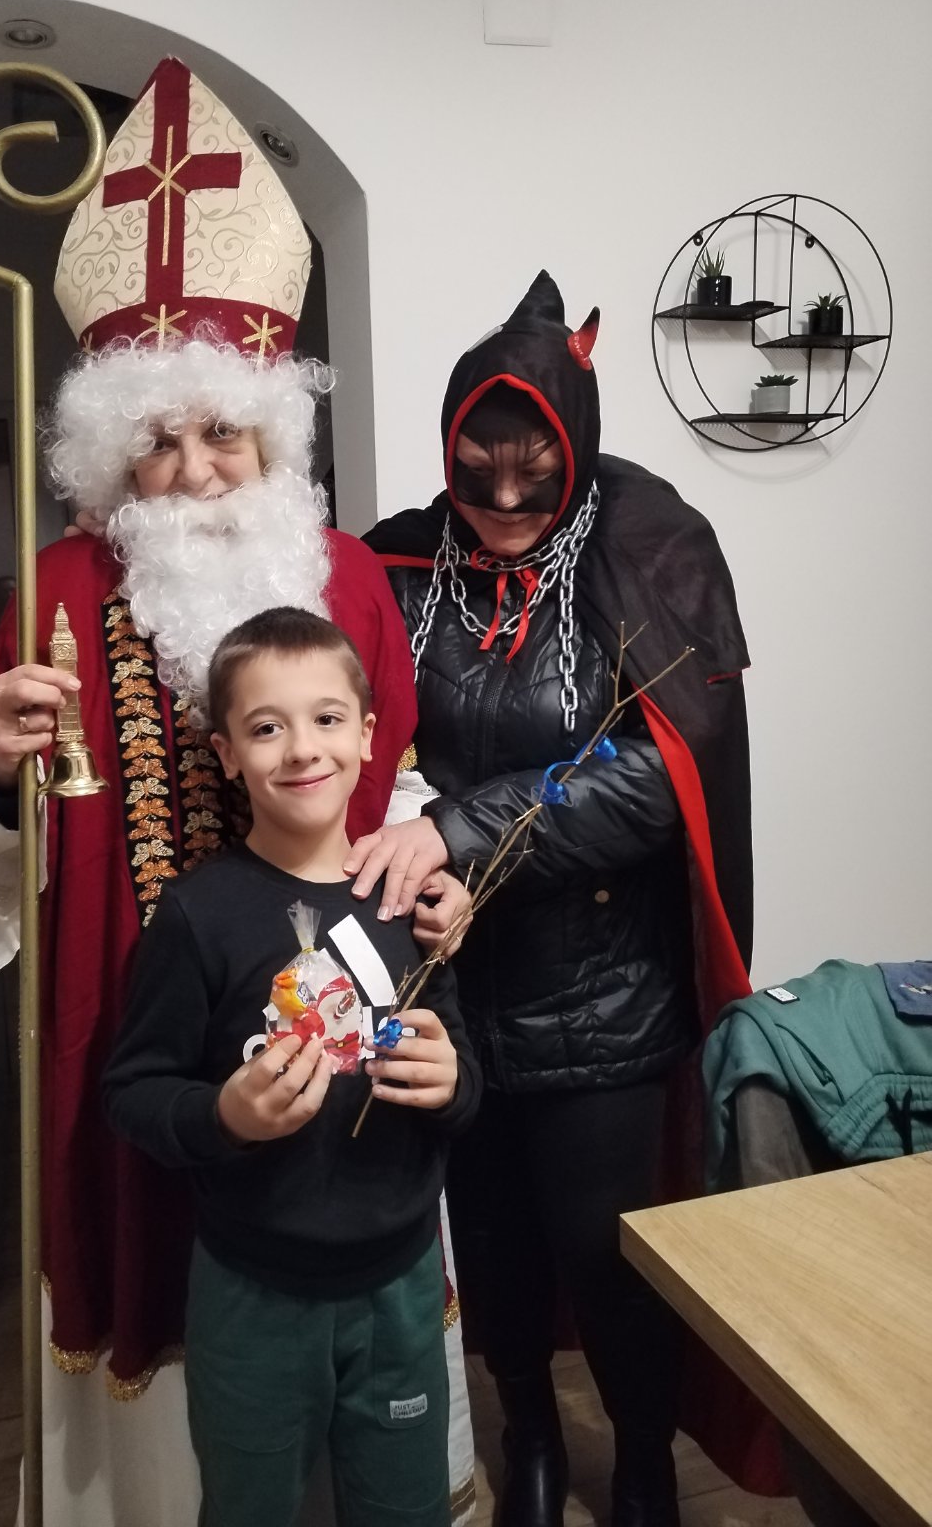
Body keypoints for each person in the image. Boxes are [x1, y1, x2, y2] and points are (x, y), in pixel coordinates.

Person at [0, 58, 475, 1527]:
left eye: (223, 429)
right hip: (134, 1014)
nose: (197, 468)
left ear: (271, 431)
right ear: (112, 453)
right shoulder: (50, 588)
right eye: (156, 438)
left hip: (347, 1049)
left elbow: (403, 772)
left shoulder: (347, 577)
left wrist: (423, 839)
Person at [350, 271, 756, 1527]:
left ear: (576, 452)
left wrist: (460, 826)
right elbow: (341, 736)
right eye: (479, 475)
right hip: (447, 982)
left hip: (602, 987)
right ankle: (528, 1434)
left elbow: (662, 772)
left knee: (606, 1249)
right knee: (493, 1245)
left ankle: (641, 1457)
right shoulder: (398, 563)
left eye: (537, 475)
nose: (510, 503)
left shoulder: (650, 548)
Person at [103, 607, 481, 1527]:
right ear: (227, 754)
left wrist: (454, 1084)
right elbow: (134, 1092)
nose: (303, 748)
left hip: (400, 1290)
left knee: (407, 1509)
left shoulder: (408, 901)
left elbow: (465, 1068)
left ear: (368, 735)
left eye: (326, 718)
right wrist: (224, 1117)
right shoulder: (197, 916)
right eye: (267, 727)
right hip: (251, 1294)